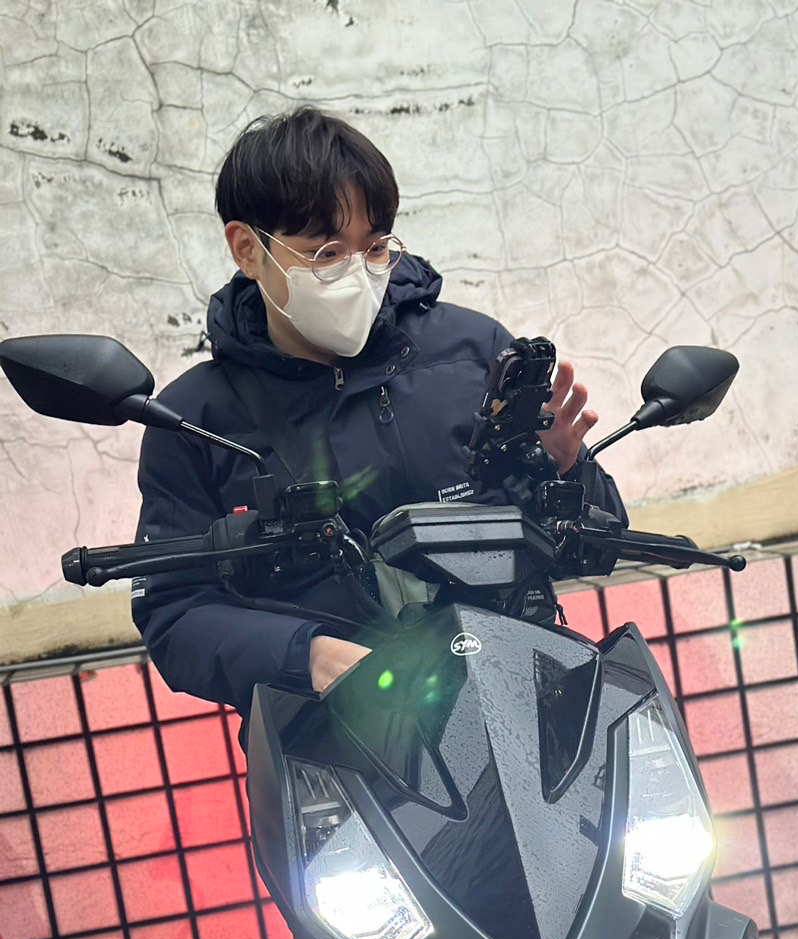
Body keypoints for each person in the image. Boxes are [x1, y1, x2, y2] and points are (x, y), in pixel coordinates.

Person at [131, 106, 626, 722]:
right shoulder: (193, 421)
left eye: (373, 247)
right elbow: (174, 612)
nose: (357, 273)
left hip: (521, 704)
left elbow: (599, 544)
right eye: (325, 252)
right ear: (248, 250)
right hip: (331, 736)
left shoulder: (473, 353)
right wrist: (305, 656)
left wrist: (569, 471)